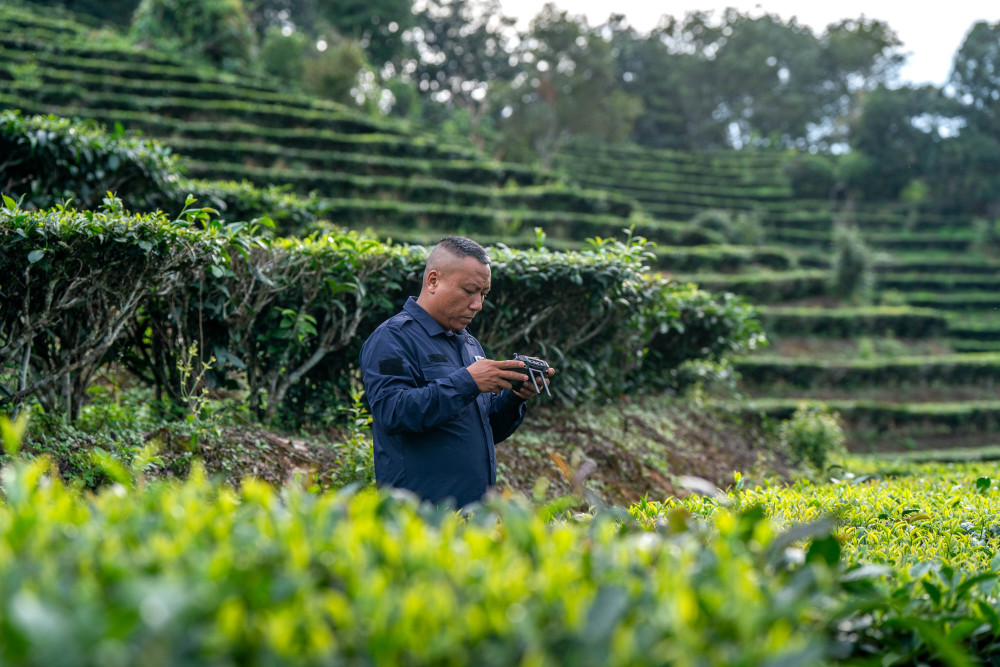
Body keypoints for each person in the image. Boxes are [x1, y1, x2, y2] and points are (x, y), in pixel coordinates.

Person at [359, 236, 554, 508]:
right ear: (433, 281)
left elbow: (485, 430)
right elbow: (392, 412)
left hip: (473, 516)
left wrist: (515, 397)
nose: (478, 305)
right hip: (419, 518)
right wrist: (468, 381)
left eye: (483, 294)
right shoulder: (392, 339)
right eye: (469, 291)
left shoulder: (469, 342)